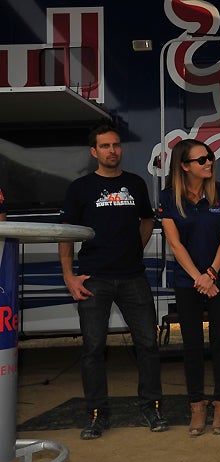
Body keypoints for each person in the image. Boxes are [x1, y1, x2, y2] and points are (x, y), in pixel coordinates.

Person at [58, 124, 168, 439]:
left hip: (133, 276)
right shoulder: (79, 188)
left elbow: (147, 219)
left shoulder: (135, 183)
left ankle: (153, 407)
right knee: (93, 348)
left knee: (147, 344)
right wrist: (69, 276)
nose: (112, 151)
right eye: (105, 146)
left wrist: (135, 247)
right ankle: (97, 414)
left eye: (116, 145)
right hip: (94, 278)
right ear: (94, 151)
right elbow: (66, 234)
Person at [159, 139, 220, 436]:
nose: (209, 163)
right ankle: (197, 405)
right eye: (201, 160)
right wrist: (199, 279)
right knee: (191, 346)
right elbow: (175, 244)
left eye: (210, 158)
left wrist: (212, 274)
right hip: (188, 282)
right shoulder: (168, 197)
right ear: (184, 166)